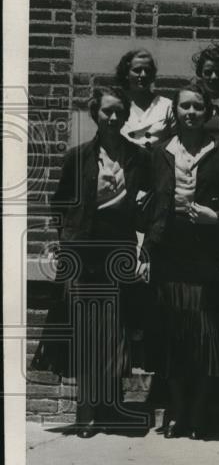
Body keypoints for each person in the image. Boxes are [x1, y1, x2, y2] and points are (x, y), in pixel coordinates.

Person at [46, 87, 151, 437]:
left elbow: (146, 203)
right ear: (96, 114)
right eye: (107, 111)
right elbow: (60, 203)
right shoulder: (79, 156)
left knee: (114, 333)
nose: (113, 118)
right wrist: (68, 241)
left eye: (120, 112)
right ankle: (87, 410)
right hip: (84, 252)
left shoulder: (138, 157)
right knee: (87, 332)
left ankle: (111, 407)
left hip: (118, 253)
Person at [146, 81, 219, 440]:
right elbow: (145, 201)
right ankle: (177, 411)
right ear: (175, 111)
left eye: (198, 107)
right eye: (185, 106)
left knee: (205, 336)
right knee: (175, 336)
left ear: (209, 112)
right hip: (169, 254)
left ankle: (199, 412)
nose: (191, 113)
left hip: (208, 258)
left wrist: (215, 216)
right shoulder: (158, 153)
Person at [117, 48, 175, 149]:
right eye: (137, 70)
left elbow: (176, 144)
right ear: (126, 74)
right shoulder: (118, 105)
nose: (143, 75)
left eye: (147, 71)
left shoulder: (167, 106)